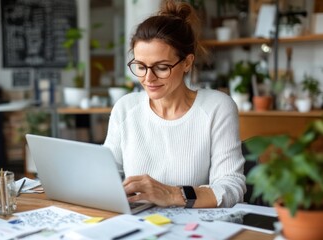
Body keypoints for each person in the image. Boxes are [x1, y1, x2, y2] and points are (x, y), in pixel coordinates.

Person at [103, 0, 246, 208]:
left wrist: (171, 195)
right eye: (140, 66)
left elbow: (232, 188)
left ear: (187, 62)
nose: (148, 78)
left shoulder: (217, 107)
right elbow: (107, 174)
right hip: (136, 224)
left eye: (161, 67)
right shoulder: (125, 108)